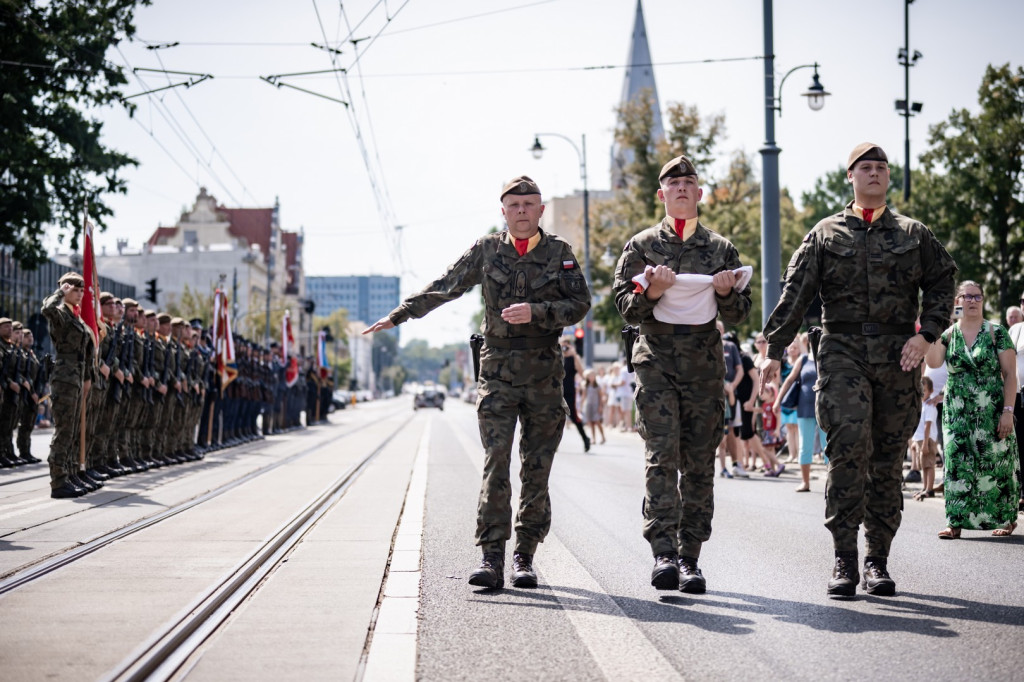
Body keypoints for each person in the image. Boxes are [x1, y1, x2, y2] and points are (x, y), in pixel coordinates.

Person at [363, 175, 590, 590]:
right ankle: (491, 557)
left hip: (543, 373)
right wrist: (400, 314)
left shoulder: (560, 252)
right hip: (498, 372)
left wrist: (538, 312)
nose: (522, 210)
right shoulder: (487, 250)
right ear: (502, 211)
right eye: (514, 204)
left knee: (537, 468)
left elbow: (580, 304)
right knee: (496, 464)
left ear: (541, 210)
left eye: (529, 204)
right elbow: (447, 285)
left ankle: (524, 556)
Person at [760, 142, 957, 598]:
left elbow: (943, 280)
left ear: (888, 178)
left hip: (898, 353)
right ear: (850, 176)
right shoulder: (826, 233)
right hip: (842, 347)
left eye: (881, 168)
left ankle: (877, 561)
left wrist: (926, 334)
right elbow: (796, 291)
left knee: (887, 460)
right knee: (849, 449)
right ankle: (844, 558)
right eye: (865, 168)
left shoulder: (914, 233)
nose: (874, 174)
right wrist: (774, 349)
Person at [613, 155, 751, 593]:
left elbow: (741, 313)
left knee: (698, 464)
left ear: (700, 193)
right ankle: (663, 553)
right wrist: (651, 290)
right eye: (673, 184)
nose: (681, 189)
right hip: (656, 359)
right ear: (662, 194)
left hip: (704, 365)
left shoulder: (720, 249)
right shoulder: (640, 246)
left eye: (689, 182)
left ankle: (690, 557)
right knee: (661, 456)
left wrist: (728, 295)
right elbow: (623, 304)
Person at [925, 280, 1020, 538]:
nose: (972, 301)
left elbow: (1010, 374)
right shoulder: (948, 334)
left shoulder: (996, 332)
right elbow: (933, 361)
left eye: (977, 297)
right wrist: (934, 328)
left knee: (996, 463)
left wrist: (1008, 411)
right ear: (958, 302)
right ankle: (954, 521)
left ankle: (1005, 518)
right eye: (966, 297)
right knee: (957, 461)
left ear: (983, 299)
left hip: (991, 409)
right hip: (957, 411)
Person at [41, 272, 96, 498]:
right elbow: (47, 309)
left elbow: (86, 351)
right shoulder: (61, 313)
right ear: (65, 289)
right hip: (64, 377)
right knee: (64, 429)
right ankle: (58, 481)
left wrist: (87, 378)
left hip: (77, 377)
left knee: (73, 429)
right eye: (75, 289)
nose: (80, 293)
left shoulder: (77, 317)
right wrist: (59, 293)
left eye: (82, 290)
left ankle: (71, 473)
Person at [776, 334, 827, 493]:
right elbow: (790, 380)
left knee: (829, 448)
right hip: (805, 409)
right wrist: (778, 400)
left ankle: (832, 482)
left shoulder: (828, 358)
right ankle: (805, 482)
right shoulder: (803, 360)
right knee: (805, 447)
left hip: (826, 409)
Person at [910, 376, 938, 501]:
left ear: (931, 391)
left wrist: (926, 443)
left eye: (925, 390)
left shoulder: (930, 406)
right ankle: (925, 487)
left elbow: (927, 426)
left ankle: (930, 489)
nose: (922, 393)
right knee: (923, 465)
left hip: (928, 440)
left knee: (929, 464)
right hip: (921, 439)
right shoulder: (921, 405)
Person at [560, 340, 591, 451]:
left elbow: (582, 373)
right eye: (562, 346)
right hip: (557, 392)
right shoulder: (557, 357)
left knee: (574, 417)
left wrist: (574, 354)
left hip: (569, 392)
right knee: (556, 419)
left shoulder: (573, 358)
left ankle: (585, 439)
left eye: (566, 346)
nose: (564, 349)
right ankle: (553, 444)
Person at [1010, 290, 1024, 511]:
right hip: (1019, 395)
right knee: (1020, 446)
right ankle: (1022, 493)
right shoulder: (1015, 330)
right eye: (1023, 300)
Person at [581, 369, 606, 445]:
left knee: (597, 421)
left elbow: (601, 397)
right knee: (590, 423)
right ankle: (593, 438)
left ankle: (603, 437)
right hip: (588, 405)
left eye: (592, 375)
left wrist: (600, 406)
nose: (591, 377)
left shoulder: (597, 386)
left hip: (596, 405)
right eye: (589, 376)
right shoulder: (585, 385)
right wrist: (581, 406)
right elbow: (584, 396)